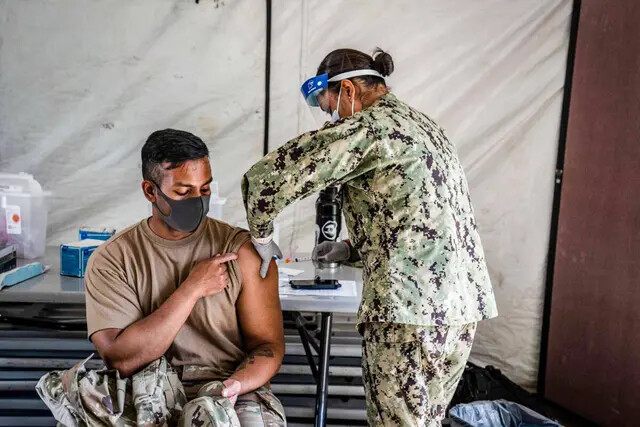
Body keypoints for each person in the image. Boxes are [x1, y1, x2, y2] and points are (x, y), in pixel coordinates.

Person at [242, 49, 498, 426]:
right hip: (460, 311)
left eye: (330, 107)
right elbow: (420, 214)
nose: (332, 118)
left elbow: (268, 179)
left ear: (348, 90)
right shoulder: (424, 126)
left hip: (411, 314)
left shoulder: (370, 127)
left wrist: (262, 237)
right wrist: (350, 248)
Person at [37, 129, 286, 427]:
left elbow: (268, 346)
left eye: (204, 190)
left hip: (226, 382)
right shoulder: (114, 258)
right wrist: (191, 289)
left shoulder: (241, 251)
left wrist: (234, 386)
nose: (197, 201)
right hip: (144, 386)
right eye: (183, 192)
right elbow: (121, 359)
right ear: (150, 191)